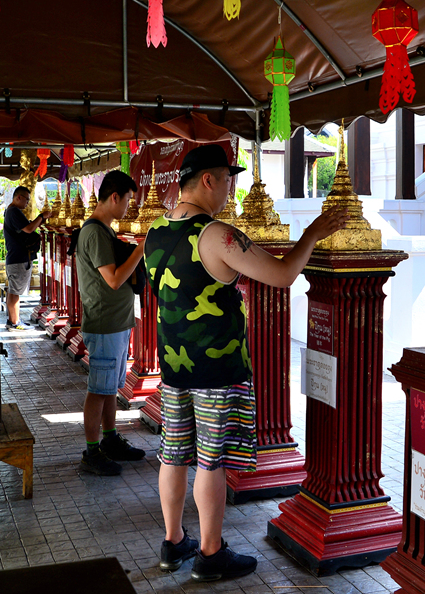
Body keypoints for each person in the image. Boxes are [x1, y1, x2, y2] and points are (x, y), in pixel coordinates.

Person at [145, 144, 345, 581]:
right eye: (227, 179)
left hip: (174, 366)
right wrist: (312, 234)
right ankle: (210, 553)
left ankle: (173, 542)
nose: (230, 189)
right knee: (210, 460)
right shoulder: (216, 234)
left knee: (173, 454)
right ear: (208, 180)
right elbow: (282, 274)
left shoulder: (155, 230)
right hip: (216, 370)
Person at [74, 171, 148, 476]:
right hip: (104, 323)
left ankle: (110, 438)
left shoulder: (103, 231)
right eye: (128, 200)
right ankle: (92, 451)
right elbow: (114, 280)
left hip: (115, 323)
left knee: (108, 389)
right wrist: (140, 250)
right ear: (114, 197)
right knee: (98, 389)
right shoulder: (94, 232)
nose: (129, 207)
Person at [3, 185, 51, 330]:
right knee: (15, 292)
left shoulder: (10, 211)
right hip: (18, 258)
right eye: (27, 200)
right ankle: (15, 322)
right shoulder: (13, 211)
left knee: (13, 291)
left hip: (15, 257)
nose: (28, 203)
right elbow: (29, 229)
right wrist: (42, 216)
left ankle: (13, 320)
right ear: (19, 197)